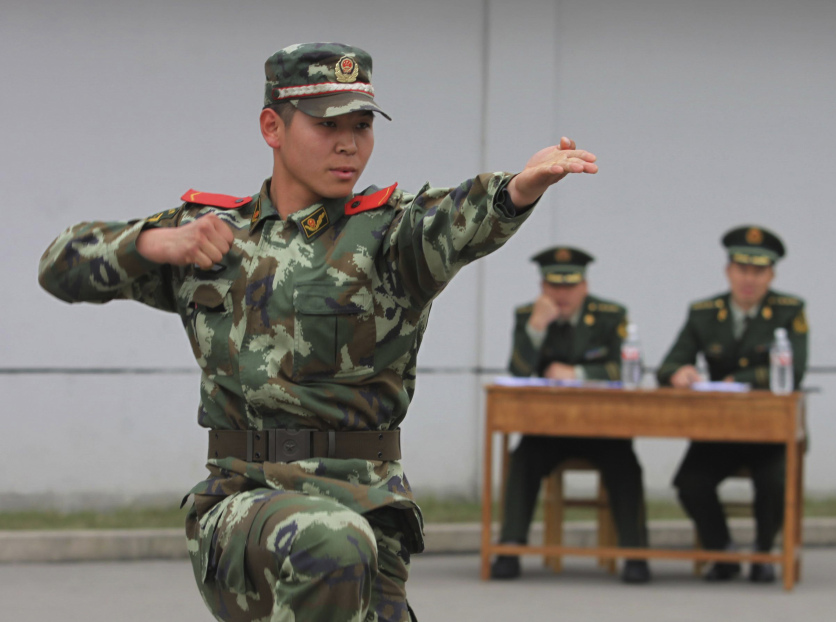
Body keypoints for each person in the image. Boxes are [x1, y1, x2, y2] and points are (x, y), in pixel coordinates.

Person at [37, 42, 598, 621]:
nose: (349, 143)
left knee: (343, 544)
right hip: (244, 506)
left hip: (371, 516)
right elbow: (60, 266)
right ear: (272, 126)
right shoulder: (210, 235)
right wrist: (152, 243)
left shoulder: (389, 237)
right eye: (328, 124)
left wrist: (518, 189)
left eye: (360, 125)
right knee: (330, 541)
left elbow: (458, 218)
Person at [655, 225, 808, 584]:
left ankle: (763, 553)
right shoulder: (704, 313)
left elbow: (794, 370)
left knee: (774, 481)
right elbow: (668, 365)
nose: (749, 280)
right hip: (720, 429)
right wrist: (679, 374)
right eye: (742, 270)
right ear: (729, 271)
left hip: (770, 431)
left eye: (759, 272)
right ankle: (720, 550)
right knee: (690, 482)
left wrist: (739, 381)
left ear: (772, 275)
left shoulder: (790, 312)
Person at [490, 246, 651, 584]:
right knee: (522, 458)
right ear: (542, 287)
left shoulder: (610, 316)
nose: (561, 295)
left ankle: (635, 554)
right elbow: (517, 372)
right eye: (554, 287)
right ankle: (510, 547)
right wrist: (536, 327)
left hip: (603, 429)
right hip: (549, 429)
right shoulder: (528, 315)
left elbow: (627, 367)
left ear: (584, 287)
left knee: (627, 465)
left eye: (569, 287)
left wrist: (577, 374)